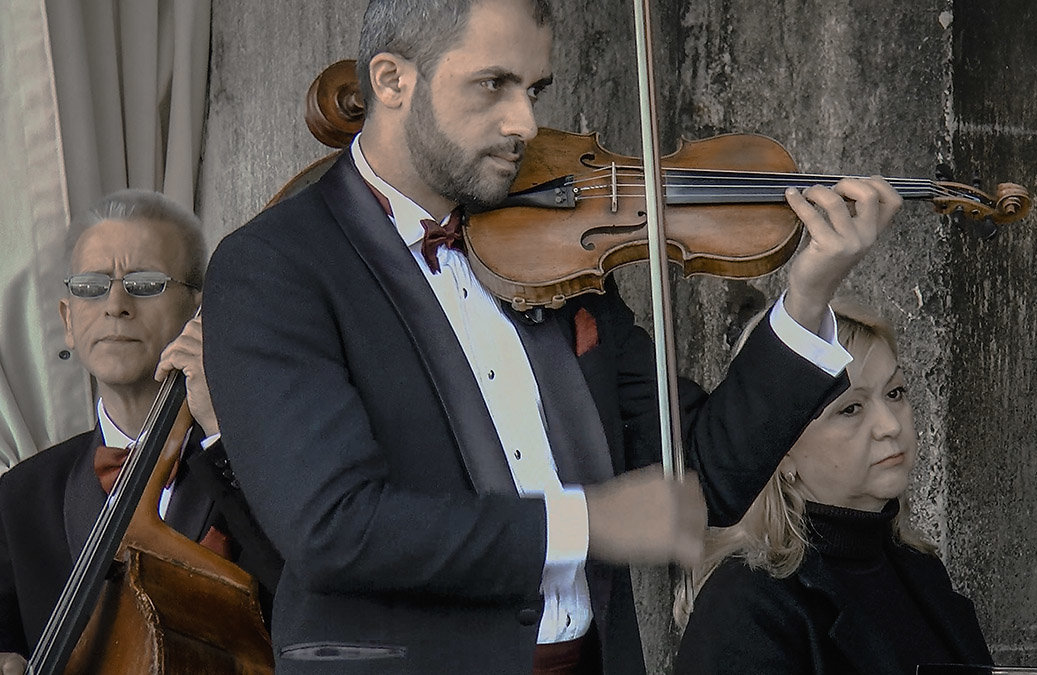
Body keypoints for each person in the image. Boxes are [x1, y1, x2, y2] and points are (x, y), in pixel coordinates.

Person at [200, 0, 903, 672]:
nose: (525, 123)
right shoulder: (274, 267)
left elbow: (703, 475)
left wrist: (809, 293)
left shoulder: (559, 258)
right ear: (390, 79)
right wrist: (584, 522)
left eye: (534, 88)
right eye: (493, 85)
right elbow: (334, 527)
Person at [0, 190, 279, 674]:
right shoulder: (19, 497)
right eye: (90, 287)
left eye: (145, 283)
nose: (115, 305)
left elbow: (307, 590)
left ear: (198, 310)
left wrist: (221, 436)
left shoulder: (253, 458)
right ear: (68, 321)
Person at [674, 303, 992, 674]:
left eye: (895, 393)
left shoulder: (920, 569)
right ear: (781, 450)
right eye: (851, 409)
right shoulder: (746, 604)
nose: (889, 425)